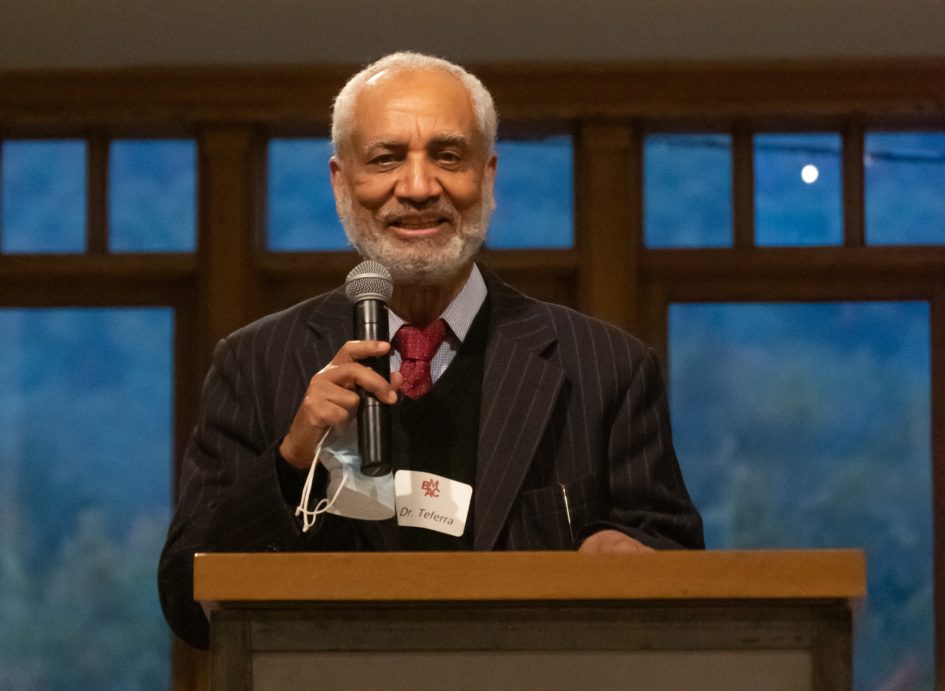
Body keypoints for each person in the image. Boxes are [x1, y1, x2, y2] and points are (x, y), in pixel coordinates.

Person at [158, 51, 704, 649]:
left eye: (448, 157)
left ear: (488, 176)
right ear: (341, 182)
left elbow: (673, 564)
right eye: (386, 159)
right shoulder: (256, 363)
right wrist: (289, 464)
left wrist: (631, 558)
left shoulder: (608, 369)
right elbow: (188, 601)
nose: (418, 188)